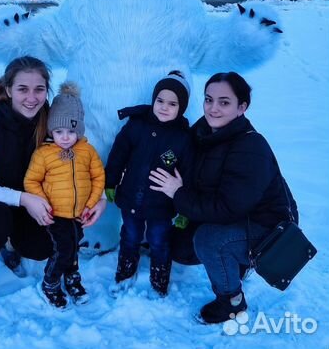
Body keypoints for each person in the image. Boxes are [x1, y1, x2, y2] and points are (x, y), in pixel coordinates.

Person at [0, 56, 106, 321]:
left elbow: (81, 156)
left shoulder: (50, 118)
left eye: (39, 89)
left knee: (42, 247)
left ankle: (10, 242)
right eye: (22, 89)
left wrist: (99, 198)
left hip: (30, 199)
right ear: (8, 89)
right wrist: (24, 199)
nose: (31, 98)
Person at [149, 71, 298, 324]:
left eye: (224, 102)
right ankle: (235, 261)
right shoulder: (205, 130)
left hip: (268, 229)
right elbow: (181, 155)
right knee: (180, 248)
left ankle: (232, 301)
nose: (213, 108)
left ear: (242, 107)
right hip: (234, 215)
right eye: (208, 100)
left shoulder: (251, 147)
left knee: (208, 240)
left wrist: (178, 193)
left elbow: (227, 208)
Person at [105, 71, 194, 297]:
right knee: (130, 236)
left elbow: (189, 174)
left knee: (159, 241)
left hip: (162, 207)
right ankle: (125, 270)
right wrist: (111, 182)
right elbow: (118, 155)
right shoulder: (136, 125)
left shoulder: (183, 138)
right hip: (131, 198)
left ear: (181, 107)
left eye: (172, 103)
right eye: (160, 101)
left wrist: (185, 208)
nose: (164, 107)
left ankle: (159, 275)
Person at [24, 82, 105, 308]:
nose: (66, 137)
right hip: (56, 214)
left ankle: (71, 277)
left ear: (79, 129)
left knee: (74, 244)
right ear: (51, 130)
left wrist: (90, 204)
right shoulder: (44, 154)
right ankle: (50, 282)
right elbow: (31, 181)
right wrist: (43, 203)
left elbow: (98, 177)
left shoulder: (87, 151)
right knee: (64, 249)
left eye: (71, 131)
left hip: (79, 213)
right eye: (59, 132)